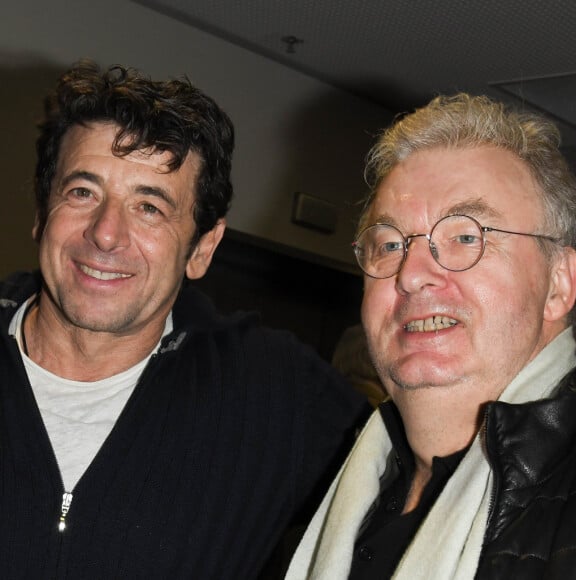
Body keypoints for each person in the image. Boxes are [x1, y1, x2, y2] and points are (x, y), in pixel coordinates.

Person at [0, 60, 368, 579]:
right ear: (43, 213)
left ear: (203, 248)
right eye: (82, 192)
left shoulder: (277, 392)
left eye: (149, 206)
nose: (106, 233)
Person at [285, 93, 576, 579]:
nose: (411, 274)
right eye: (390, 244)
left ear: (558, 283)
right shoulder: (314, 488)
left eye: (467, 236)